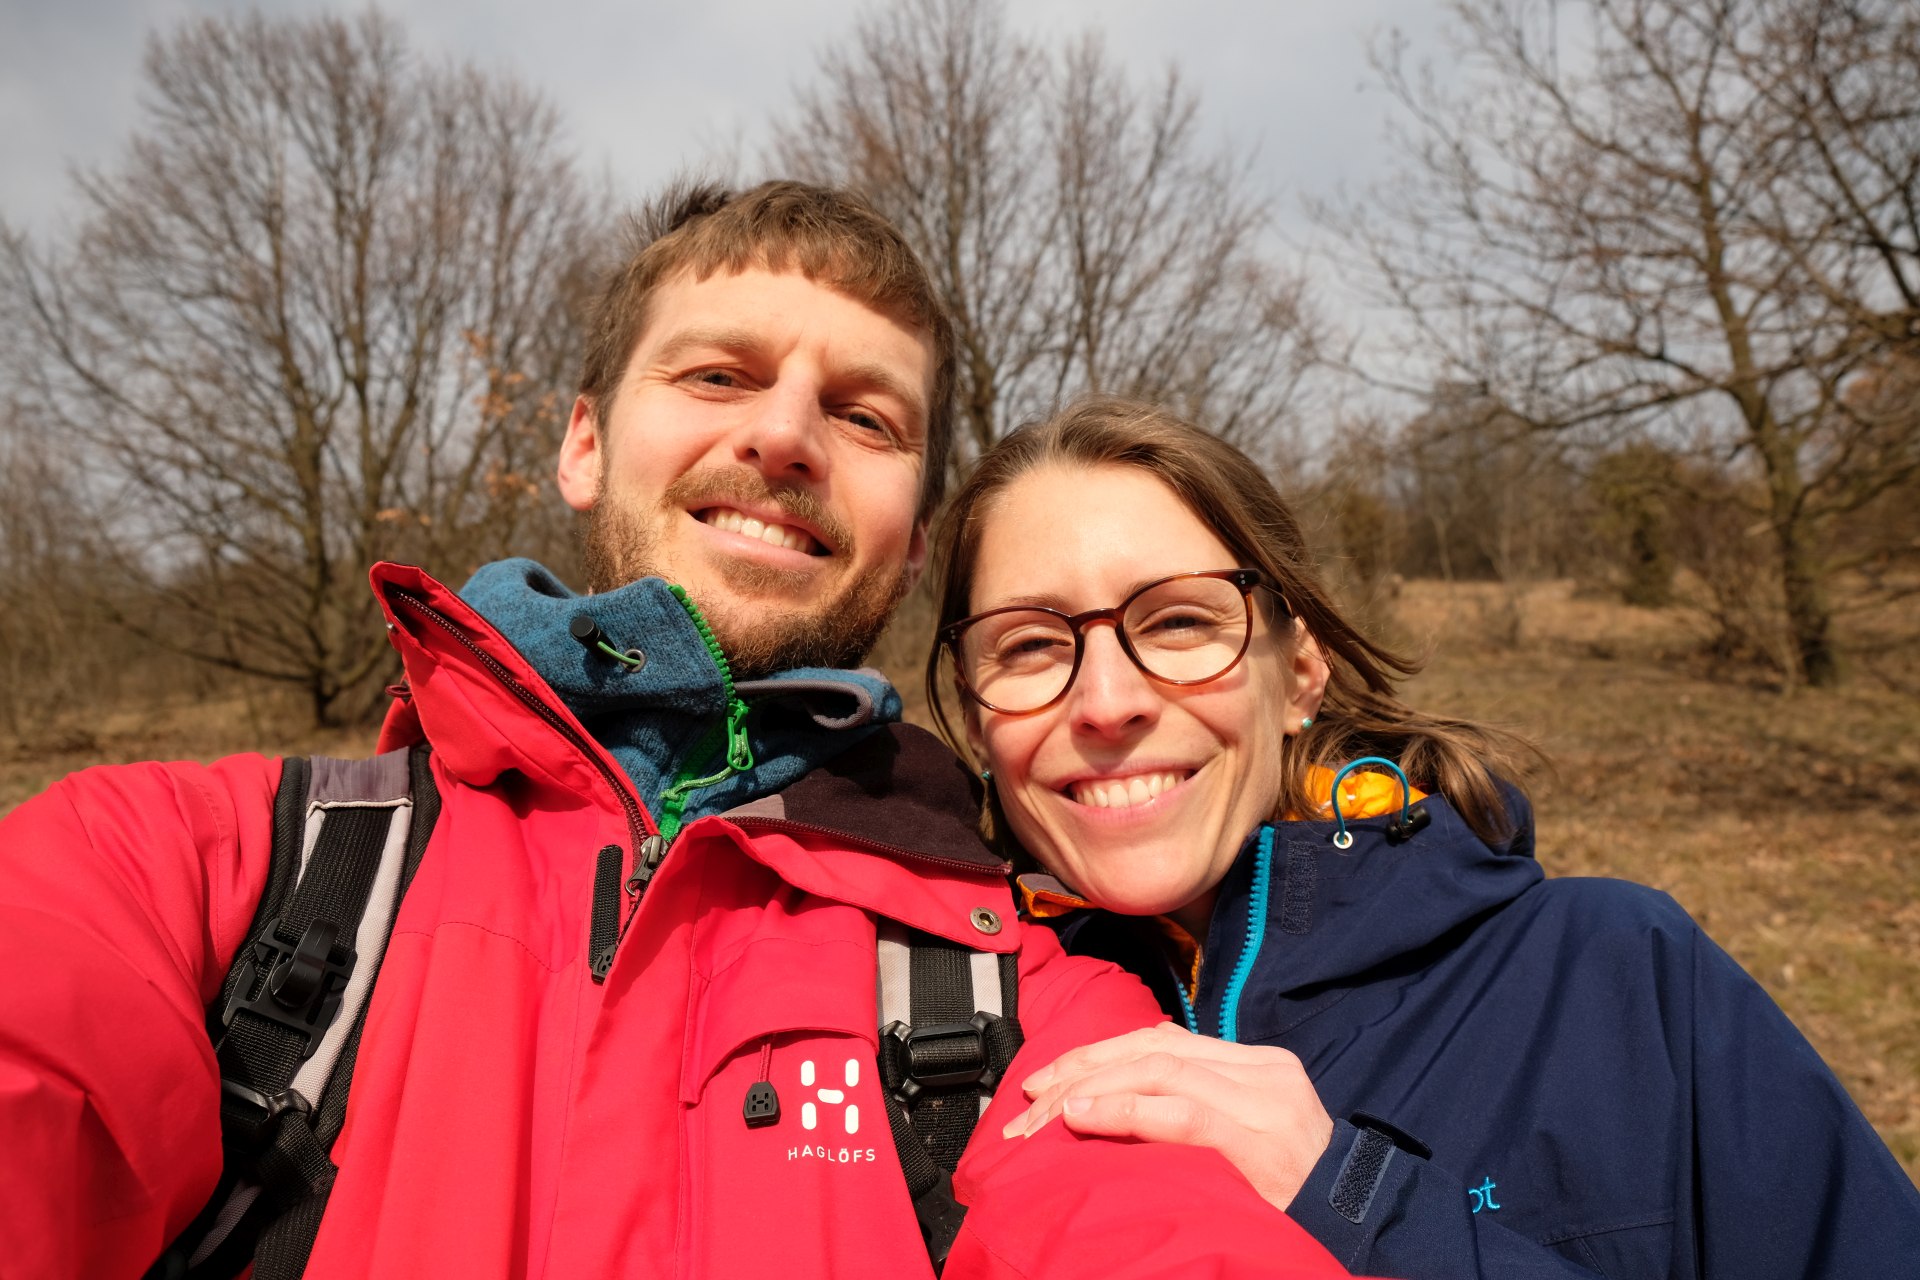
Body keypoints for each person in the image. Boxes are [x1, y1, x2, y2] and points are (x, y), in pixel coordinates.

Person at [0, 187, 1349, 1279]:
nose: (783, 434)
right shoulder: (197, 866)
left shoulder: (1032, 1005)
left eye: (866, 415)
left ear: (914, 541)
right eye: (720, 374)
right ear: (584, 444)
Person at [925, 396, 1920, 1279]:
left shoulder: (1621, 982)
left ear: (1299, 669)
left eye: (1181, 619)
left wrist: (1362, 1199)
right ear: (976, 713)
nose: (1108, 700)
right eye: (1030, 642)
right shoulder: (929, 1035)